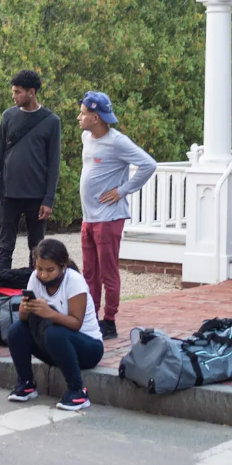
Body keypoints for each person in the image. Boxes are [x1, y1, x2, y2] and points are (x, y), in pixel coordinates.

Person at [77, 91, 156, 340]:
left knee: (107, 272)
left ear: (96, 117)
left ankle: (109, 321)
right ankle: (91, 317)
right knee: (89, 272)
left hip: (109, 218)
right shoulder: (86, 138)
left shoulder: (117, 141)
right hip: (88, 217)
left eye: (83, 113)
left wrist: (123, 190)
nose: (79, 117)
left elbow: (148, 164)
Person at [6, 238, 104, 412]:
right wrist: (24, 310)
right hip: (55, 346)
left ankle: (77, 391)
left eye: (50, 270)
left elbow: (75, 323)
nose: (43, 275)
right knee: (16, 330)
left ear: (63, 267)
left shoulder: (74, 281)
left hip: (89, 348)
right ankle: (26, 383)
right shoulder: (35, 279)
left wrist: (50, 313)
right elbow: (23, 320)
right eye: (39, 269)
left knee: (54, 333)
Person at [0, 69, 62, 271]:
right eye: (13, 91)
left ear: (31, 92)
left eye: (18, 92)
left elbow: (54, 164)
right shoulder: (8, 116)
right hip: (8, 193)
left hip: (36, 196)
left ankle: (35, 290)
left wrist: (48, 200)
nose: (14, 96)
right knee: (5, 246)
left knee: (37, 248)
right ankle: (2, 291)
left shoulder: (51, 121)